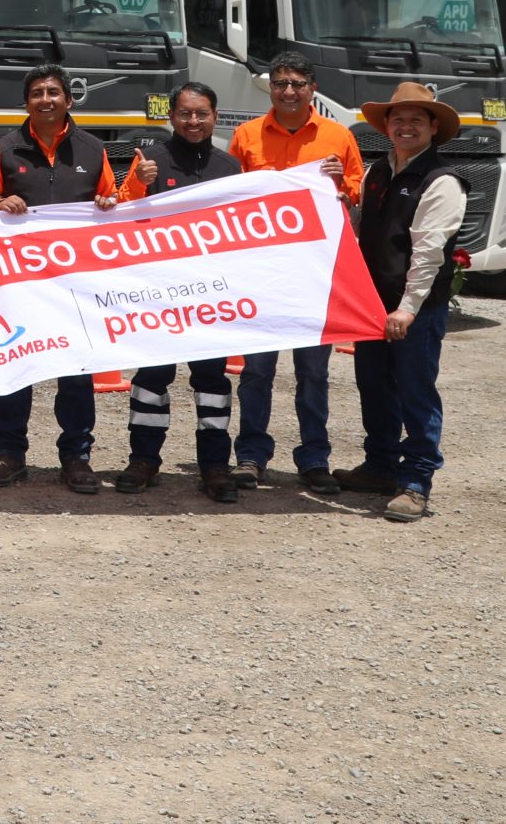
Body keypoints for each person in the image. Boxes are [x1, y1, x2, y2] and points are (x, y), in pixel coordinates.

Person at [0, 65, 121, 495]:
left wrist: (108, 203)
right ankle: (9, 455)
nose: (45, 99)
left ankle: (76, 457)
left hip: (75, 285)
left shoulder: (93, 150)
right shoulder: (5, 148)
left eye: (53, 92)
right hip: (19, 283)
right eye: (37, 93)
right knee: (15, 369)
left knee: (76, 372)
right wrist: (0, 201)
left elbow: (113, 202)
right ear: (26, 103)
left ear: (68, 100)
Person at [226, 52, 364, 493]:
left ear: (313, 89)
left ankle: (314, 458)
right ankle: (250, 455)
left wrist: (341, 183)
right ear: (270, 86)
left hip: (313, 277)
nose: (288, 91)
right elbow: (229, 198)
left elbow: (356, 193)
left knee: (314, 374)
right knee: (256, 372)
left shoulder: (339, 136)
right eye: (281, 83)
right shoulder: (246, 136)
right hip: (261, 275)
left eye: (298, 84)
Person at [343, 82, 467, 522]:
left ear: (434, 127)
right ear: (387, 126)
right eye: (398, 119)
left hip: (411, 308)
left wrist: (408, 307)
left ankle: (416, 481)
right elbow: (362, 228)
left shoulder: (442, 181)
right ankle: (379, 465)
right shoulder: (379, 172)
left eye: (416, 119)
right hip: (372, 304)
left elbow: (429, 251)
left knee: (414, 390)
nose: (405, 126)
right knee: (373, 385)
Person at [112, 83, 242, 502]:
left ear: (215, 116)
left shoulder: (230, 167)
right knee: (151, 378)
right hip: (158, 293)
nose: (192, 121)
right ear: (171, 116)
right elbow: (117, 215)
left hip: (209, 293)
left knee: (212, 381)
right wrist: (136, 184)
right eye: (184, 114)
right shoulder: (150, 162)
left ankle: (215, 466)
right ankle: (143, 459)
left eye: (201, 113)